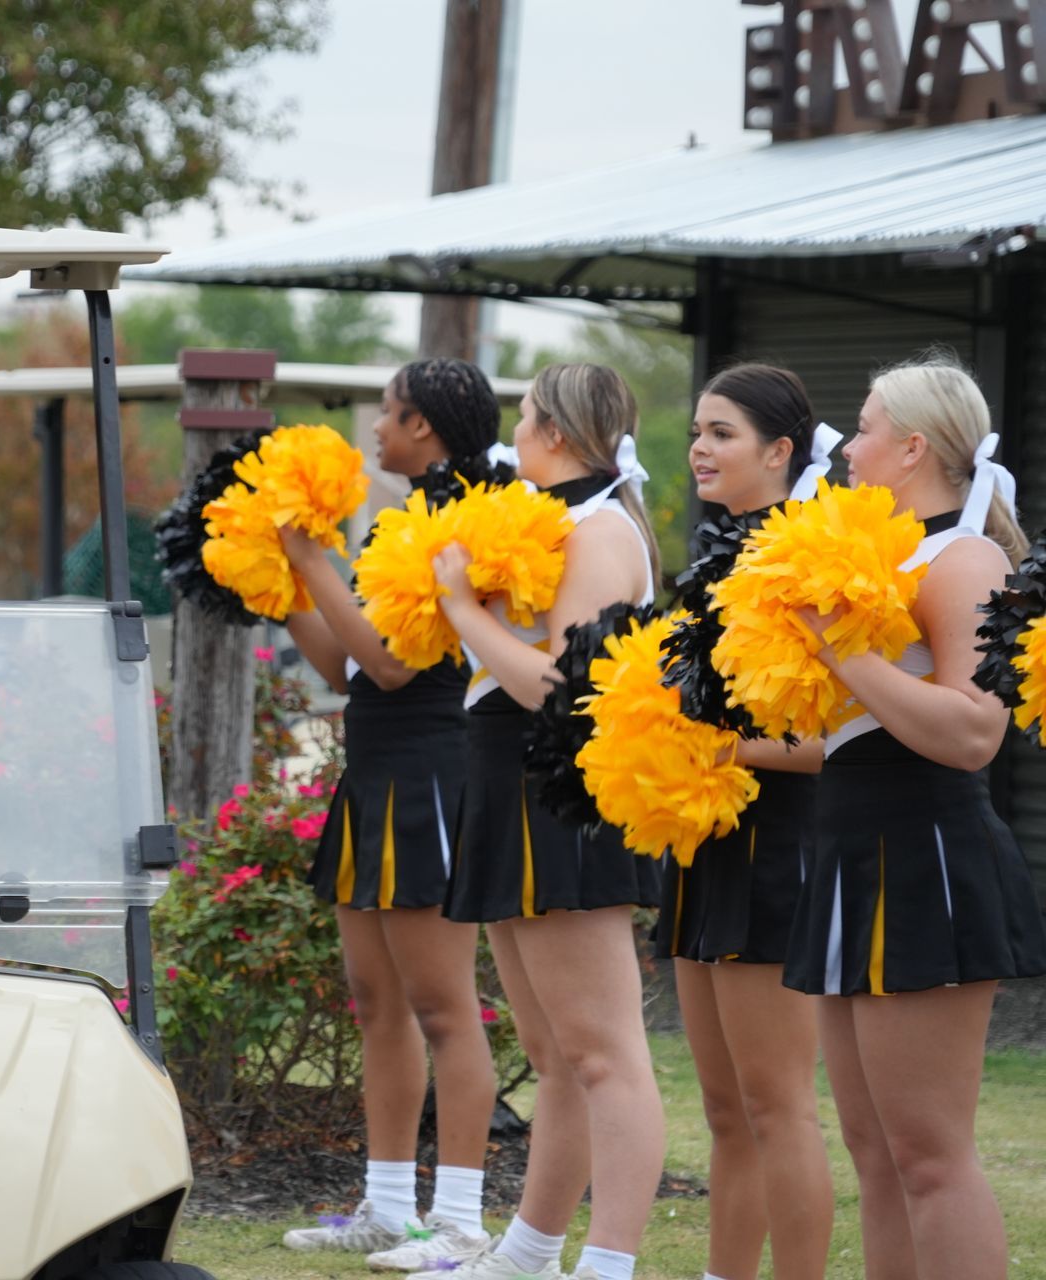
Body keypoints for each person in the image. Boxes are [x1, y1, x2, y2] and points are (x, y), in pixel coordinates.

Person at [782, 356, 1046, 1280]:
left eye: (861, 429)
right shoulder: (878, 558)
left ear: (912, 448)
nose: (847, 448)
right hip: (853, 843)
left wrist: (837, 649)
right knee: (876, 1151)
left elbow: (976, 731)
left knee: (930, 1156)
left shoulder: (962, 556)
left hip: (924, 848)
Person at [432, 365, 664, 1280]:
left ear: (560, 434)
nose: (513, 436)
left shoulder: (603, 529)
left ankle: (609, 1265)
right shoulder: (553, 523)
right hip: (507, 789)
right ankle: (526, 1253)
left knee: (604, 1055)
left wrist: (461, 609)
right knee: (555, 1055)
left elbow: (559, 692)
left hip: (561, 798)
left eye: (524, 419)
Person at [277, 360, 502, 1267]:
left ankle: (459, 1223)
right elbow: (342, 666)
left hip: (430, 775)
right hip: (371, 772)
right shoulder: (401, 517)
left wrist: (309, 557)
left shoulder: (467, 520)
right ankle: (386, 1205)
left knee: (445, 1009)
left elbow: (398, 665)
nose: (376, 425)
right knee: (378, 1004)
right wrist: (282, 580)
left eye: (390, 411)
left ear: (429, 426)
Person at [668, 365, 834, 1280]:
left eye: (722, 432)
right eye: (697, 429)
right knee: (726, 1110)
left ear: (779, 452)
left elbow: (827, 738)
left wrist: (723, 754)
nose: (700, 447)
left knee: (779, 1107)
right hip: (707, 841)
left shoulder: (805, 559)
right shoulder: (717, 553)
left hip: (781, 845)